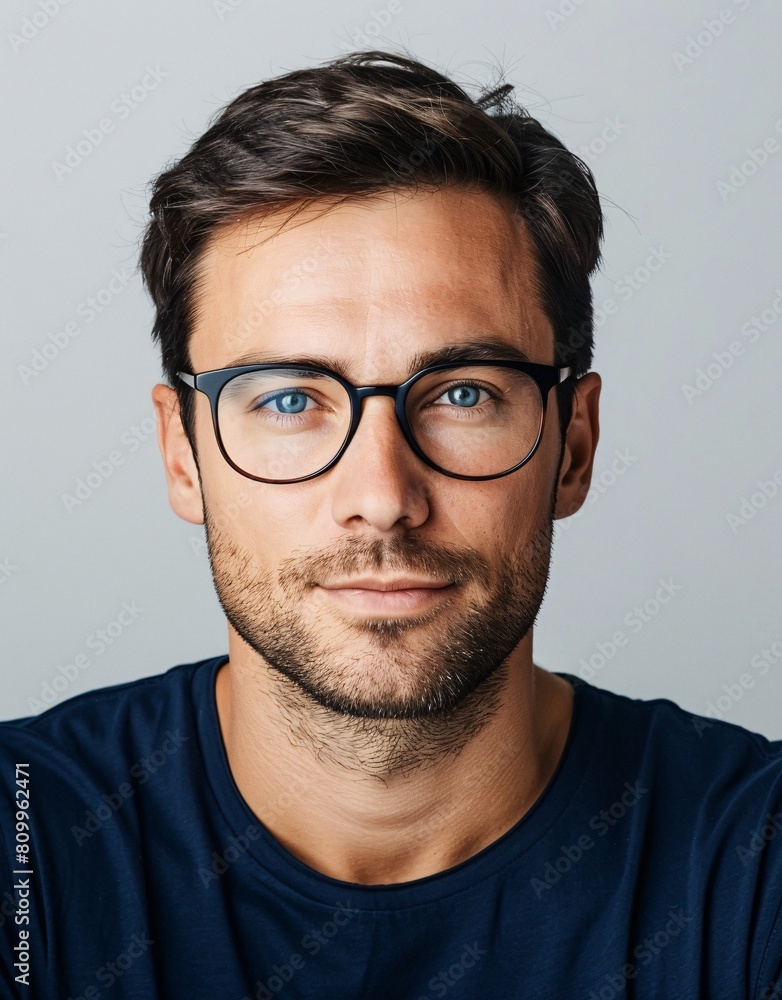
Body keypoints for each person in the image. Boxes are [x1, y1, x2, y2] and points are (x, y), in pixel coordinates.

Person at [1, 48, 780, 1000]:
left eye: (460, 393)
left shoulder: (754, 857)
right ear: (183, 455)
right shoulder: (23, 835)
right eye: (289, 400)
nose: (382, 493)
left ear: (573, 445)